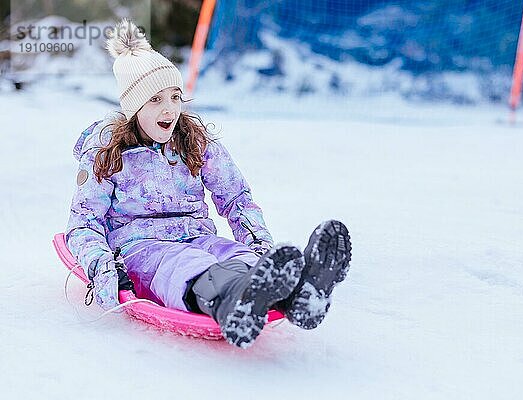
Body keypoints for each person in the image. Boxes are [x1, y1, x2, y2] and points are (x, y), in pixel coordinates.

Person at [65, 19, 352, 349]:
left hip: (199, 235)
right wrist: (103, 269)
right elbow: (83, 223)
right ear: (133, 108)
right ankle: (234, 301)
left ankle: (298, 295)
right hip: (141, 247)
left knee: (230, 254)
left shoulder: (195, 143)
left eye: (175, 96)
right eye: (156, 100)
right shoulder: (108, 153)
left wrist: (258, 245)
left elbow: (236, 198)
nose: (170, 108)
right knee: (185, 267)